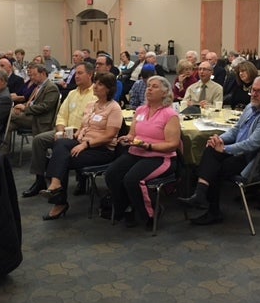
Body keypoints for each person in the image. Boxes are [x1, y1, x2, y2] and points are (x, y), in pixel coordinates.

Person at [177, 76, 260, 225]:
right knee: (211, 150)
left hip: (251, 160)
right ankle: (202, 197)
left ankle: (207, 204)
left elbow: (253, 144)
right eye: (253, 90)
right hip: (239, 153)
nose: (254, 94)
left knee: (213, 167)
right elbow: (235, 130)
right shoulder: (251, 107)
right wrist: (219, 140)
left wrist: (225, 149)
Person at [39, 73, 123, 220]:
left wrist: (85, 144)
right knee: (60, 144)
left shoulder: (114, 108)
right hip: (83, 142)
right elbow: (84, 126)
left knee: (61, 159)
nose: (95, 86)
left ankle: (58, 200)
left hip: (101, 149)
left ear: (109, 89)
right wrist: (76, 135)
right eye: (95, 83)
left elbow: (109, 135)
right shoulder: (92, 105)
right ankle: (56, 185)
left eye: (100, 84)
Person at [105, 76, 181, 228]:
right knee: (111, 173)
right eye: (148, 86)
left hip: (160, 157)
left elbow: (172, 145)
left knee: (132, 179)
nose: (149, 89)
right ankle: (127, 207)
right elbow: (133, 134)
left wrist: (149, 146)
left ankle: (151, 212)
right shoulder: (140, 110)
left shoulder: (170, 114)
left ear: (165, 93)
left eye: (154, 87)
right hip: (136, 151)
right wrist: (127, 138)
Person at [23, 62, 96, 197]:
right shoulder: (72, 93)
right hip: (65, 131)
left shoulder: (95, 94)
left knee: (61, 145)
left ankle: (68, 183)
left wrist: (75, 133)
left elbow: (92, 121)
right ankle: (40, 180)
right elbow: (61, 115)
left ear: (90, 75)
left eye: (80, 73)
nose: (76, 76)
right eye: (75, 73)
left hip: (82, 134)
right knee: (39, 140)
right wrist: (60, 130)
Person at [6, 63, 60, 147]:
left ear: (43, 74)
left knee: (7, 115)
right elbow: (30, 102)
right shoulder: (38, 87)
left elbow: (45, 107)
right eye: (31, 75)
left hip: (40, 120)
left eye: (34, 75)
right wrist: (20, 107)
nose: (32, 77)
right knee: (8, 125)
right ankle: (2, 154)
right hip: (31, 116)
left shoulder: (51, 87)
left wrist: (24, 109)